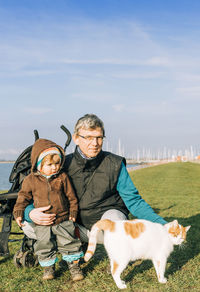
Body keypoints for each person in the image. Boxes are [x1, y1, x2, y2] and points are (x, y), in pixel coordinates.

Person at [23, 114, 167, 246]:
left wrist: (162, 225)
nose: (95, 143)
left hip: (104, 225)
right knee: (28, 226)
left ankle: (120, 251)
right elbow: (32, 197)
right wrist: (30, 213)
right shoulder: (61, 165)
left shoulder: (115, 164)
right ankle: (70, 250)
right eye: (89, 137)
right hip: (72, 224)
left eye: (99, 137)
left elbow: (134, 201)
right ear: (76, 138)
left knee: (116, 218)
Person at [13, 138, 84, 281]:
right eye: (50, 164)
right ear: (39, 165)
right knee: (44, 245)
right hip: (43, 223)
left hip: (63, 219)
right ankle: (48, 268)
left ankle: (74, 267)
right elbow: (22, 198)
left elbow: (72, 197)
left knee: (69, 242)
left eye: (57, 163)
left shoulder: (62, 177)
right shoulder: (30, 180)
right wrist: (19, 212)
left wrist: (73, 213)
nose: (54, 167)